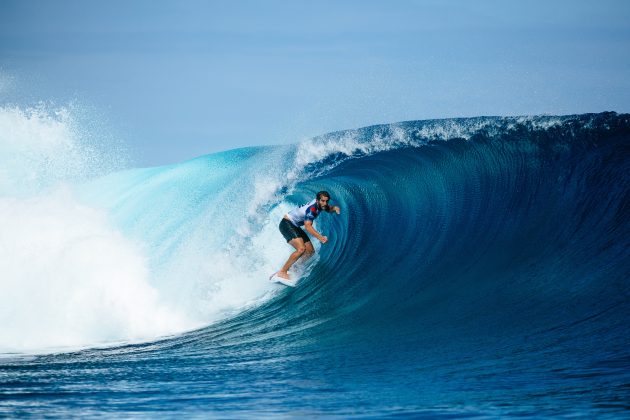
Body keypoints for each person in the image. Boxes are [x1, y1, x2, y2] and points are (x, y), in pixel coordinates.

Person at [273, 191, 341, 281]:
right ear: (317, 200)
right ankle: (282, 272)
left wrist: (334, 208)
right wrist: (321, 238)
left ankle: (294, 268)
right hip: (286, 224)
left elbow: (327, 208)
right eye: (323, 201)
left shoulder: (321, 204)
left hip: (294, 225)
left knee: (310, 251)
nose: (325, 203)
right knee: (301, 249)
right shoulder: (312, 210)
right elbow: (308, 227)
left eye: (326, 201)